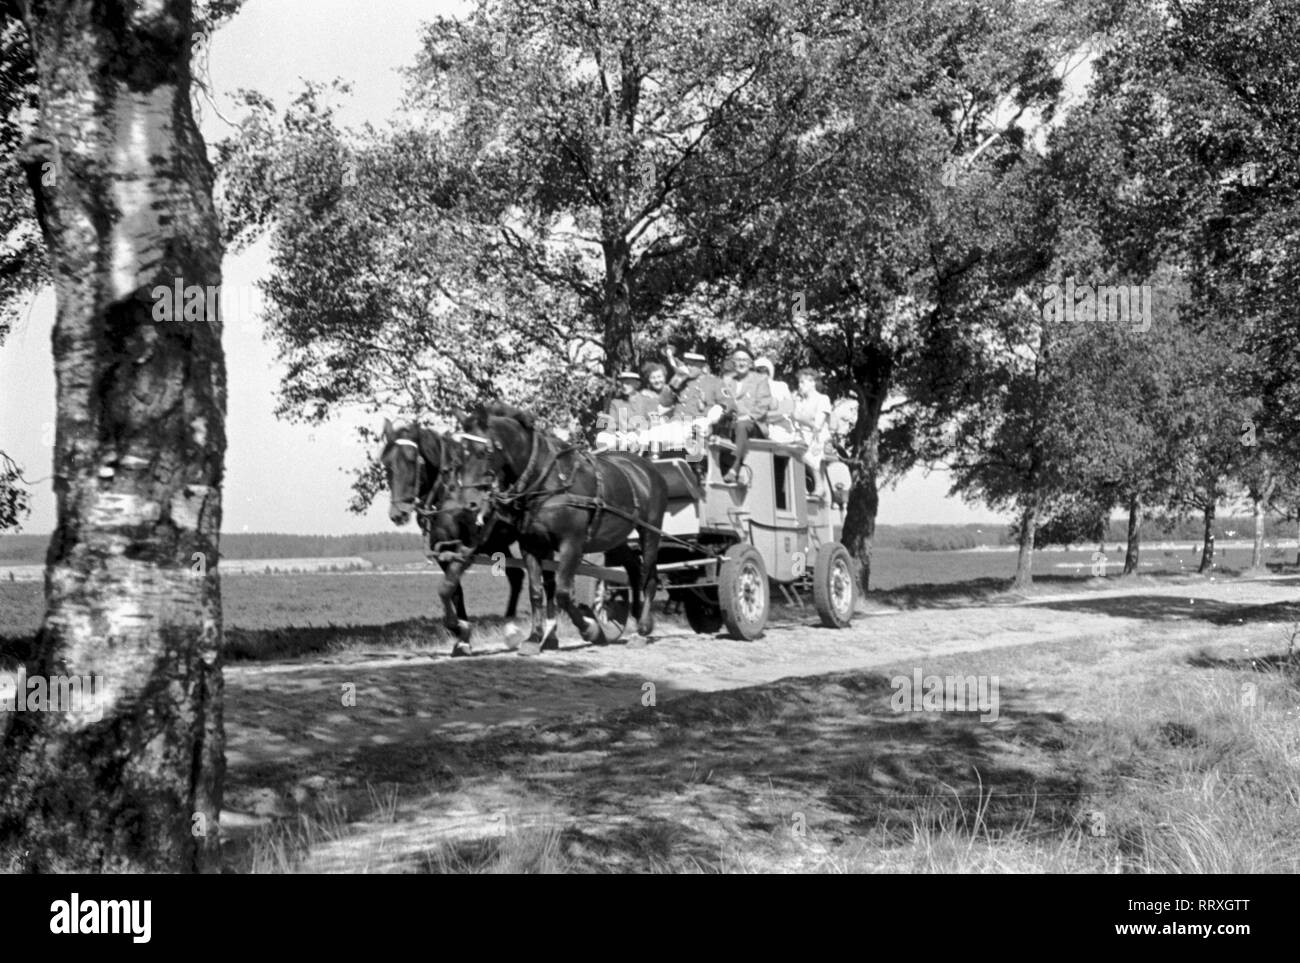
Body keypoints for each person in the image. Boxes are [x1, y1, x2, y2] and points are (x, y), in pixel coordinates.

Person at [719, 344, 772, 484]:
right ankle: (697, 465)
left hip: (753, 426)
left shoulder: (760, 379)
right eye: (737, 359)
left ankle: (735, 467)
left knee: (742, 425)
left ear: (750, 363)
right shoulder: (727, 380)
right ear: (732, 362)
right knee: (697, 426)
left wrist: (749, 416)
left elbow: (763, 404)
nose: (741, 363)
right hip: (730, 423)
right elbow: (722, 401)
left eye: (745, 360)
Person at [655, 348, 725, 451]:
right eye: (686, 364)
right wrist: (674, 383)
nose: (688, 367)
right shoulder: (680, 382)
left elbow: (726, 404)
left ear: (702, 366)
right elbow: (664, 402)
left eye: (692, 364)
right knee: (653, 436)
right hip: (677, 425)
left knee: (691, 437)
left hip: (701, 426)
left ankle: (695, 465)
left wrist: (712, 418)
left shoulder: (715, 382)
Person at [792, 367, 833, 494]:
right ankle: (800, 484)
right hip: (802, 434)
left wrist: (800, 418)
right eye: (799, 382)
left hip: (818, 435)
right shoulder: (800, 401)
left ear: (812, 383)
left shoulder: (823, 399)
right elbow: (794, 419)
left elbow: (817, 425)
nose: (800, 385)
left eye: (803, 382)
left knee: (807, 447)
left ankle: (819, 485)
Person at [595, 370, 646, 451]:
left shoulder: (645, 400)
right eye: (622, 383)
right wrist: (606, 419)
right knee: (601, 437)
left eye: (628, 383)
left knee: (634, 437)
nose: (624, 386)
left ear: (637, 385)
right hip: (622, 434)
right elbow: (613, 424)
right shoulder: (616, 402)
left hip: (640, 434)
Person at [755, 357, 796, 443]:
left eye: (763, 371)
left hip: (781, 430)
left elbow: (789, 407)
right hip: (761, 431)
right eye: (758, 371)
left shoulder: (781, 386)